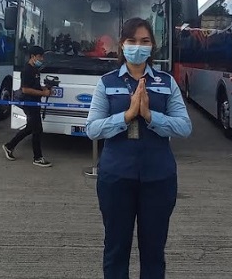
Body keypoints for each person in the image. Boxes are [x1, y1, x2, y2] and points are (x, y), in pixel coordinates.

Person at [85, 17, 192, 279]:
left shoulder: (166, 83)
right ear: (122, 45)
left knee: (154, 251)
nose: (138, 47)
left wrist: (149, 115)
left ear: (153, 46)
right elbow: (93, 129)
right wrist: (127, 115)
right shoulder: (107, 82)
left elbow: (184, 127)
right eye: (132, 41)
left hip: (159, 177)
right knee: (115, 248)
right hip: (116, 177)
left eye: (145, 41)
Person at [2, 45, 53, 167]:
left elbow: (34, 86)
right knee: (37, 130)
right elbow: (25, 89)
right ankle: (38, 157)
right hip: (29, 102)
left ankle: (9, 146)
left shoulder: (35, 70)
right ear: (33, 57)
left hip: (35, 102)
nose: (42, 59)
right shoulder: (26, 70)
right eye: (40, 56)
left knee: (30, 128)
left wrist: (45, 89)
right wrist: (43, 93)